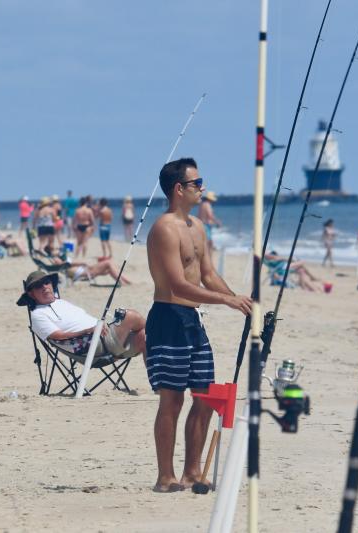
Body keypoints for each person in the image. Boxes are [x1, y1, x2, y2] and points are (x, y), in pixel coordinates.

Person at [146, 157, 252, 493]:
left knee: (205, 396)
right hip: (167, 319)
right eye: (197, 183)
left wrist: (239, 301)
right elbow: (176, 285)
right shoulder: (164, 229)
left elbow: (207, 274)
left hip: (192, 320)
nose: (202, 188)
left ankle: (192, 472)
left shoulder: (197, 227)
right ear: (179, 189)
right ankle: (166, 476)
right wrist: (224, 301)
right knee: (172, 400)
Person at [20, 270, 145, 358]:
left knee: (145, 336)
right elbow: (58, 336)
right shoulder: (38, 314)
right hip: (90, 346)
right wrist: (88, 331)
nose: (44, 287)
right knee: (130, 316)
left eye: (46, 282)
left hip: (105, 337)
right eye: (38, 285)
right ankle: (162, 329)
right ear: (31, 294)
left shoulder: (62, 302)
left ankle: (158, 386)